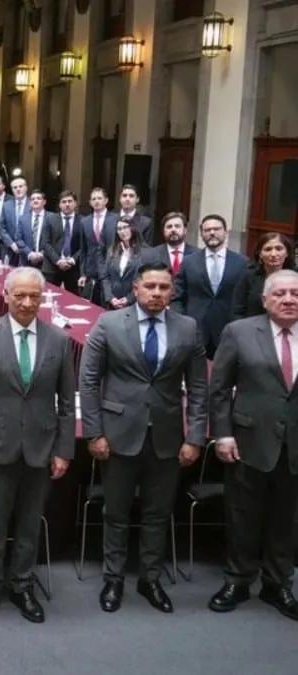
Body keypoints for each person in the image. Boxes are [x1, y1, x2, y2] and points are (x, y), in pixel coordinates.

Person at [79, 261, 208, 614]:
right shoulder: (108, 323)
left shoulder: (187, 327)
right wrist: (93, 432)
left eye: (163, 287)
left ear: (172, 291)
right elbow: (88, 381)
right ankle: (113, 578)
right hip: (118, 434)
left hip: (167, 436)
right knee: (116, 512)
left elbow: (199, 387)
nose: (156, 293)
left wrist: (195, 436)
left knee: (157, 513)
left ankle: (150, 578)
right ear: (135, 288)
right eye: (149, 286)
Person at [0, 267, 75, 624]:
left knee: (28, 524)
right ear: (6, 295)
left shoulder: (58, 340)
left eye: (34, 297)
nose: (27, 303)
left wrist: (64, 450)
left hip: (41, 449)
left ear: (42, 299)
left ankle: (23, 584)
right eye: (20, 295)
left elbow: (67, 403)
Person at [207, 269, 298, 621]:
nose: (289, 299)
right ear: (265, 299)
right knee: (243, 515)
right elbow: (219, 390)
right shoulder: (240, 332)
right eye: (281, 294)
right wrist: (223, 433)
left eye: (295, 293)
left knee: (287, 519)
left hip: (294, 444)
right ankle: (239, 580)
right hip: (247, 441)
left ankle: (278, 583)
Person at [171, 214, 248, 356]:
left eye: (217, 229)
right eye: (207, 230)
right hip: (195, 330)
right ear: (201, 234)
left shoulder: (242, 262)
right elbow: (176, 296)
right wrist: (182, 322)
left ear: (225, 232)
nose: (212, 233)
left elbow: (245, 298)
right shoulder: (189, 262)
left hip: (229, 330)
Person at [230, 232, 295, 320]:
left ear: (287, 253)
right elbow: (237, 310)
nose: (273, 254)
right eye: (268, 249)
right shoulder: (248, 276)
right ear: (260, 254)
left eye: (279, 249)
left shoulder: (295, 277)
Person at [99, 216, 145, 310]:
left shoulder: (145, 251)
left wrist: (129, 299)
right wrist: (110, 297)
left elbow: (144, 280)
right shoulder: (112, 250)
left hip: (134, 304)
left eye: (125, 227)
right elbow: (105, 277)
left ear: (133, 228)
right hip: (112, 303)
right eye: (119, 229)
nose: (122, 231)